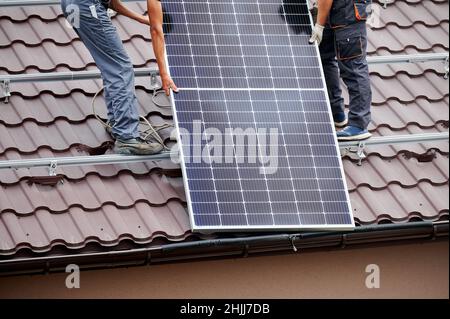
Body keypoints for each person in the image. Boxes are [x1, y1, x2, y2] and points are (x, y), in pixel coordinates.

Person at [61, 0, 178, 154]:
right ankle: (127, 136)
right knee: (120, 67)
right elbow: (156, 30)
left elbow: (110, 2)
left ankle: (116, 123)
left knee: (110, 63)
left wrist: (141, 18)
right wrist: (164, 74)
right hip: (87, 6)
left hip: (71, 5)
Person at [309, 0, 372, 141]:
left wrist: (319, 25)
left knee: (354, 68)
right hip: (336, 13)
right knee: (324, 55)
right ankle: (336, 111)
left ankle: (358, 125)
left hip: (348, 15)